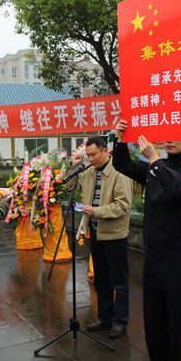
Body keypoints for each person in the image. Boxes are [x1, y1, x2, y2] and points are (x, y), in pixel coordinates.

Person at [112, 123, 181, 361]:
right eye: (167, 134)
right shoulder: (155, 169)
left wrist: (155, 161)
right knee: (154, 327)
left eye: (177, 134)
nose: (169, 140)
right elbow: (122, 164)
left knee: (179, 329)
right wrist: (120, 139)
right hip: (153, 260)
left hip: (179, 263)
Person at [67, 137, 133, 339]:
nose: (90, 158)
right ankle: (104, 317)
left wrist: (96, 211)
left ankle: (120, 322)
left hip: (114, 234)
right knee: (101, 279)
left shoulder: (120, 171)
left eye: (93, 154)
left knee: (119, 281)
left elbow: (123, 206)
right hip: (95, 232)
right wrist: (74, 165)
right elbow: (70, 186)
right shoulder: (87, 171)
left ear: (106, 151)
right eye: (87, 155)